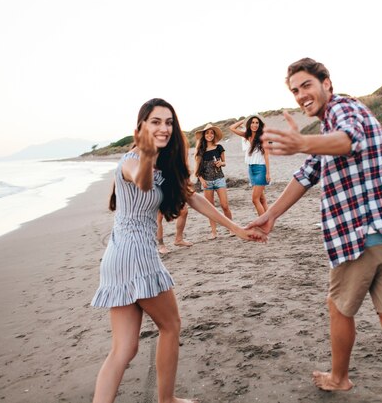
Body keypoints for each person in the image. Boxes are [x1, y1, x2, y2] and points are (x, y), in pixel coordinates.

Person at [247, 58, 382, 403]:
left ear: (326, 82)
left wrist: (302, 143)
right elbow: (307, 173)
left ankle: (339, 378)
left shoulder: (343, 110)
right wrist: (272, 215)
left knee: (339, 308)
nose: (301, 95)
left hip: (362, 236)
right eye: (295, 90)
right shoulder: (330, 124)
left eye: (306, 85)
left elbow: (347, 141)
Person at [90, 98, 265, 403]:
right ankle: (167, 400)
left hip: (116, 257)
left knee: (124, 349)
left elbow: (193, 198)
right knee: (170, 326)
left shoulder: (165, 165)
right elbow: (142, 182)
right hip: (138, 257)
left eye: (168, 122)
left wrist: (235, 228)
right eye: (156, 121)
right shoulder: (132, 160)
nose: (164, 127)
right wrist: (146, 156)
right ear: (142, 126)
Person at [194, 124, 234, 239]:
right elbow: (196, 170)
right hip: (207, 181)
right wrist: (202, 180)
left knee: (224, 205)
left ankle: (231, 228)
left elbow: (224, 162)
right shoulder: (200, 151)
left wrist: (221, 163)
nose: (209, 135)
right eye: (207, 133)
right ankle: (213, 232)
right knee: (210, 208)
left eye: (211, 133)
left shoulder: (219, 147)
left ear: (214, 135)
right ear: (204, 135)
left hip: (219, 179)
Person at [229, 114, 271, 215]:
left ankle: (262, 223)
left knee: (255, 199)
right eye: (252, 122)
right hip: (251, 169)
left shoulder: (263, 137)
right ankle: (269, 220)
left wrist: (268, 173)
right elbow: (232, 128)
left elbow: (266, 155)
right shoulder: (247, 136)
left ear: (259, 125)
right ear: (249, 124)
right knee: (261, 198)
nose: (254, 125)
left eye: (257, 123)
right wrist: (244, 120)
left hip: (261, 169)